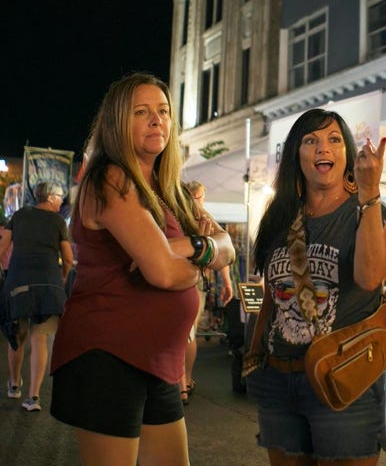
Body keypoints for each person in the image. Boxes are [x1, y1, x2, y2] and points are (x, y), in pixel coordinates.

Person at [49, 72, 235, 466]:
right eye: (141, 112)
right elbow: (163, 274)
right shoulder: (112, 178)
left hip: (158, 361)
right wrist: (200, 264)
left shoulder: (172, 190)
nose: (156, 120)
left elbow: (227, 247)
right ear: (118, 121)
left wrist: (187, 247)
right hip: (109, 355)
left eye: (163, 111)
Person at [244, 108, 386, 466]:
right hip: (279, 378)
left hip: (344, 380)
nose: (322, 148)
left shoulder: (367, 211)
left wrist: (370, 193)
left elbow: (370, 278)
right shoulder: (279, 218)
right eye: (310, 140)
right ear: (296, 156)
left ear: (347, 154)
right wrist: (256, 359)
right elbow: (271, 296)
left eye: (334, 139)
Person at [0, 181, 74, 412]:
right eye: (60, 196)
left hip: (18, 284)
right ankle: (33, 397)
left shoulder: (20, 216)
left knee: (16, 336)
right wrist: (62, 277)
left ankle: (14, 385)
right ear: (50, 197)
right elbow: (68, 257)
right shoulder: (58, 221)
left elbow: (2, 247)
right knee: (40, 339)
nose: (62, 201)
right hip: (48, 286)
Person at [181, 180, 233, 404]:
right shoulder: (203, 219)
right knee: (189, 332)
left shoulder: (181, 217)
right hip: (194, 280)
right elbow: (221, 253)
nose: (198, 201)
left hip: (186, 280)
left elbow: (222, 252)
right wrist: (227, 282)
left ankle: (181, 383)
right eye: (197, 197)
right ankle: (184, 383)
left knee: (183, 331)